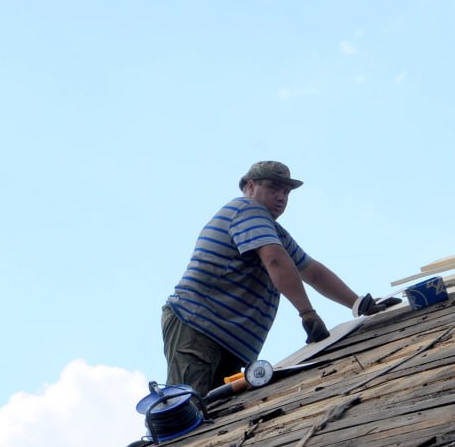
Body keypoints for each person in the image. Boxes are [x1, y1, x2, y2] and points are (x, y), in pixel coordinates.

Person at [162, 161, 398, 395]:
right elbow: (275, 260)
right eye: (274, 188)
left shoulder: (273, 232)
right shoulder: (247, 210)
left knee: (211, 413)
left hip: (224, 339)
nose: (282, 197)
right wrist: (308, 314)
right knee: (187, 408)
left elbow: (311, 271)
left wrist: (358, 304)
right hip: (199, 325)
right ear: (251, 187)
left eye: (286, 192)